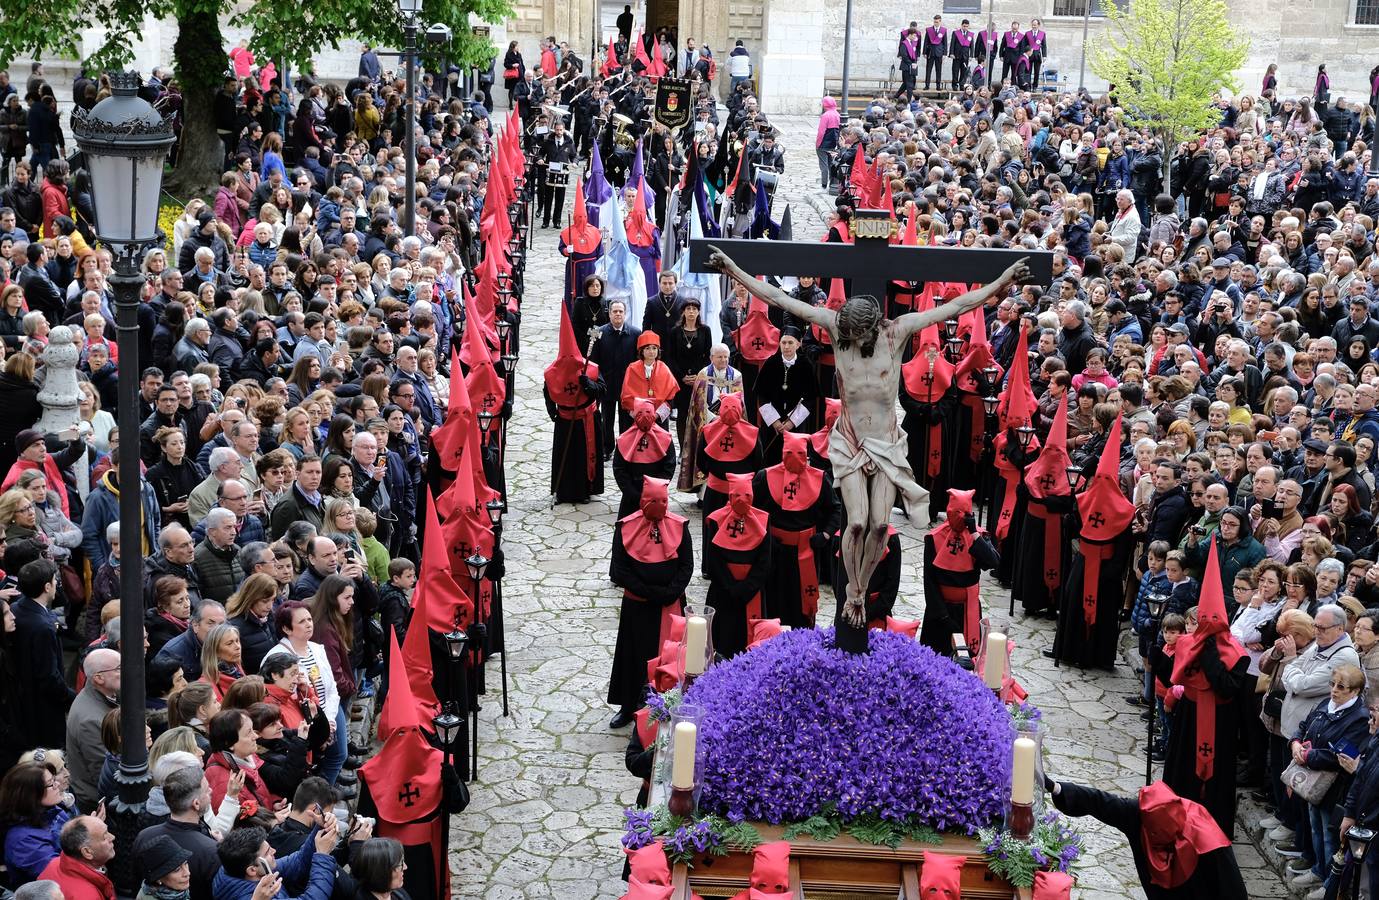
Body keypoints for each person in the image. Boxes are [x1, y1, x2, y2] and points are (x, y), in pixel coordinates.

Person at [1048, 778, 1248, 898]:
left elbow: (1233, 890)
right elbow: (1100, 802)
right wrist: (1055, 787)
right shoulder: (1140, 814)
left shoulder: (1207, 839)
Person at [607, 478, 691, 729]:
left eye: (663, 501)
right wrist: (648, 592)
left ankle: (668, 704)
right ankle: (628, 705)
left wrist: (669, 592)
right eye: (653, 501)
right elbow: (620, 569)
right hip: (638, 605)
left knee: (668, 657)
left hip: (669, 604)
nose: (658, 505)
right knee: (632, 656)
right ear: (643, 501)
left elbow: (687, 565)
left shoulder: (679, 527)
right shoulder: (625, 527)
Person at [753, 433, 835, 628]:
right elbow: (753, 510)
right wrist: (765, 537)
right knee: (774, 598)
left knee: (801, 602)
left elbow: (835, 509)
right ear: (783, 453)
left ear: (806, 454)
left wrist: (825, 534)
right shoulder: (765, 477)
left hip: (806, 548)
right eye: (790, 452)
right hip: (776, 550)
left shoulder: (820, 478)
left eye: (800, 453)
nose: (795, 457)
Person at [919, 489, 998, 658]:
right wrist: (943, 616)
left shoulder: (979, 535)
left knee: (967, 662)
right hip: (940, 610)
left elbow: (993, 562)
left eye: (966, 513)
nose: (961, 517)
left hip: (967, 609)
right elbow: (930, 582)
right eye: (957, 513)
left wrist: (974, 533)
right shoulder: (934, 538)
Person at [703, 473, 772, 658]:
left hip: (752, 594)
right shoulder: (717, 520)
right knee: (721, 645)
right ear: (730, 496)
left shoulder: (763, 521)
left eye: (747, 496)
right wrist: (731, 588)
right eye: (738, 496)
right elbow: (713, 561)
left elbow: (764, 562)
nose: (742, 500)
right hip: (723, 594)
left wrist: (746, 588)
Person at [37, 816, 115, 900]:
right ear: (87, 852)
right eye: (104, 837)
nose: (112, 837)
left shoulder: (54, 863)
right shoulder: (88, 897)